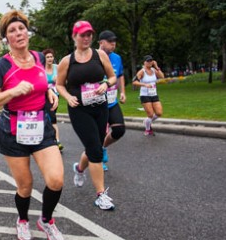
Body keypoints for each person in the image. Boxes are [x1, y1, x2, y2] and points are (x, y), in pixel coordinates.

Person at [0, 10, 65, 240]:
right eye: (12, 31)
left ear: (27, 32)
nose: (18, 33)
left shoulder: (38, 57)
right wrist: (12, 92)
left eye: (21, 28)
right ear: (6, 38)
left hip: (41, 126)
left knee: (56, 179)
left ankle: (46, 220)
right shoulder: (2, 65)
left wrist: (48, 91)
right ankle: (22, 220)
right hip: (13, 130)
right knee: (25, 185)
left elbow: (43, 81)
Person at [56, 20, 117, 211]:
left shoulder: (100, 55)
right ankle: (101, 195)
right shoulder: (67, 61)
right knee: (95, 149)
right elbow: (59, 85)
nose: (86, 38)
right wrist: (68, 97)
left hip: (100, 107)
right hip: (79, 110)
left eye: (89, 34)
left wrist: (106, 84)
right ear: (74, 37)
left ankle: (79, 168)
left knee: (95, 145)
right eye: (82, 34)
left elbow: (112, 76)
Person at [97, 30, 127, 171]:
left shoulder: (117, 58)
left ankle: (103, 147)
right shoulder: (92, 57)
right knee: (99, 134)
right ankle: (96, 160)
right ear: (101, 43)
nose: (113, 44)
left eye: (114, 41)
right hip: (97, 103)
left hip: (112, 101)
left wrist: (123, 92)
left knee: (119, 130)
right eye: (110, 42)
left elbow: (119, 75)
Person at [133, 55, 165, 136]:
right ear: (144, 62)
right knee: (150, 114)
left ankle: (146, 121)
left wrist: (157, 67)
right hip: (145, 95)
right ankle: (148, 130)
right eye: (148, 61)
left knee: (159, 113)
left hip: (154, 94)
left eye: (151, 61)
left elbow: (162, 76)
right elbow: (134, 82)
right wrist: (145, 84)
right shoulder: (142, 72)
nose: (150, 62)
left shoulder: (154, 70)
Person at [42, 48, 63, 151]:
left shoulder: (57, 67)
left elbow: (65, 81)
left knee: (50, 117)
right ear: (44, 59)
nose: (50, 59)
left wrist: (58, 79)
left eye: (51, 56)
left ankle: (49, 138)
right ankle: (57, 141)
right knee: (52, 117)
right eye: (47, 57)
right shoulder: (41, 69)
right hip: (45, 95)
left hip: (56, 95)